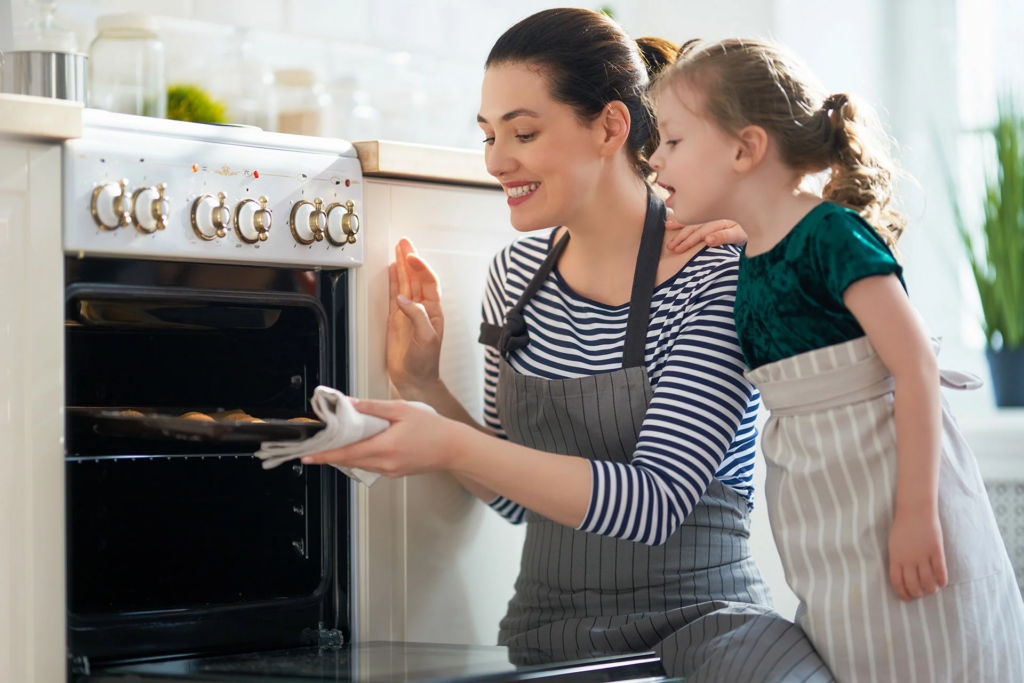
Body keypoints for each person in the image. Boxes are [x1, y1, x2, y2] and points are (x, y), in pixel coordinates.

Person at [302, 9, 832, 681]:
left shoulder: (718, 272)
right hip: (553, 647)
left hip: (711, 640)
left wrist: (445, 439)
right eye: (489, 134)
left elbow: (653, 501)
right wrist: (425, 385)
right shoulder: (516, 278)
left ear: (611, 127)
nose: (497, 160)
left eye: (523, 131)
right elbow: (517, 495)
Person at [647, 36, 1024, 682]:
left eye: (673, 141)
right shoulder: (755, 249)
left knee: (938, 652)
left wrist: (914, 514)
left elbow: (914, 368)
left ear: (745, 148)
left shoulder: (832, 236)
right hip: (828, 520)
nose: (655, 160)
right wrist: (739, 232)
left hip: (895, 497)